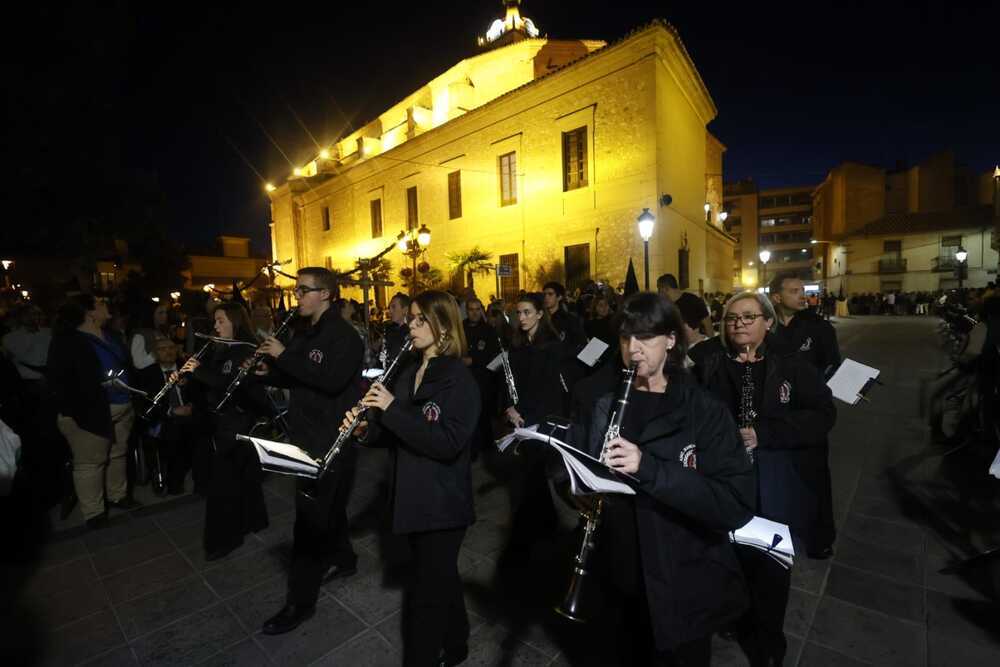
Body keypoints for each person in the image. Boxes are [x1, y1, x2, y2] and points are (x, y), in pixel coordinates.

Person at [569, 292, 753, 665]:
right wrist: (575, 489)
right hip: (620, 575)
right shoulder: (606, 405)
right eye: (625, 338)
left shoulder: (704, 410)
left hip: (682, 582)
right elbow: (583, 470)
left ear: (671, 340)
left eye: (645, 338)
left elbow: (735, 503)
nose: (633, 349)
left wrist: (648, 468)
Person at [692, 291, 836, 665]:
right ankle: (736, 616)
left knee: (771, 566)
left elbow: (822, 416)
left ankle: (768, 643)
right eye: (731, 318)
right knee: (731, 556)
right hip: (725, 479)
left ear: (768, 322)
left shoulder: (792, 363)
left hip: (773, 482)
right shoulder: (709, 361)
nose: (738, 323)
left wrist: (764, 434)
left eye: (748, 317)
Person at [345, 290, 480, 666]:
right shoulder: (409, 371)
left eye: (420, 320)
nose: (411, 325)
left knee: (424, 598)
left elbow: (447, 443)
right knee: (440, 578)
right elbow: (394, 432)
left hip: (443, 505)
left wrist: (390, 408)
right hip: (411, 498)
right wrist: (365, 432)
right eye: (412, 318)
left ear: (443, 325)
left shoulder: (459, 379)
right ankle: (457, 643)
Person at [256, 267, 365, 635]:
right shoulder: (306, 332)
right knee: (328, 508)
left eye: (304, 290)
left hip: (330, 441)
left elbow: (331, 381)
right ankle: (346, 559)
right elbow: (296, 374)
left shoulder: (345, 337)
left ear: (327, 294)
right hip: (306, 436)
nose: (297, 295)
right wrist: (265, 371)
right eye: (297, 289)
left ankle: (298, 604)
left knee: (307, 524)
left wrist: (284, 355)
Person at [178, 302, 269, 559]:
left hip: (238, 422)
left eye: (220, 321)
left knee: (224, 482)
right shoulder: (217, 350)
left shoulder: (246, 351)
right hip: (220, 422)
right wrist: (187, 377)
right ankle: (254, 519)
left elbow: (230, 384)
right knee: (245, 475)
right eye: (215, 321)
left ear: (235, 322)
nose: (215, 326)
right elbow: (210, 385)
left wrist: (199, 371)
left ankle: (223, 540)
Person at [48, 294, 139, 529]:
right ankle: (94, 513)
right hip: (88, 412)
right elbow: (61, 382)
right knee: (90, 463)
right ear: (89, 312)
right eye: (100, 302)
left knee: (118, 454)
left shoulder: (111, 336)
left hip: (122, 406)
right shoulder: (67, 340)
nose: (106, 303)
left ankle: (117, 496)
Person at [137, 338, 203, 495]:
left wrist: (192, 406)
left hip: (190, 414)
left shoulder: (188, 369)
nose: (168, 351)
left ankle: (202, 480)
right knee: (174, 431)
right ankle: (175, 482)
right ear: (154, 354)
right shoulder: (147, 374)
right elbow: (145, 404)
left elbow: (200, 394)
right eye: (163, 349)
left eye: (171, 347)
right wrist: (171, 411)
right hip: (164, 418)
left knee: (203, 427)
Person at [769, 273, 841, 378]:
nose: (803, 296)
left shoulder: (820, 326)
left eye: (803, 290)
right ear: (777, 297)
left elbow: (833, 366)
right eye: (795, 291)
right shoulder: (764, 327)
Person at [462, 296, 500, 459]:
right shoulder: (460, 327)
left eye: (478, 309)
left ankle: (486, 447)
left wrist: (474, 360)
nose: (475, 313)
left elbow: (494, 354)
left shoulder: (488, 330)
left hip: (482, 379)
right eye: (471, 309)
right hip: (463, 378)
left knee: (482, 415)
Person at [130, 302, 170, 370]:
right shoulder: (140, 335)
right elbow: (138, 363)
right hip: (149, 376)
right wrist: (156, 354)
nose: (165, 315)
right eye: (161, 312)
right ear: (151, 314)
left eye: (165, 312)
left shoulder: (163, 332)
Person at [382, 292, 411, 365]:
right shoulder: (389, 329)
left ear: (405, 310)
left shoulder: (411, 332)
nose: (390, 311)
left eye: (394, 307)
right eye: (390, 308)